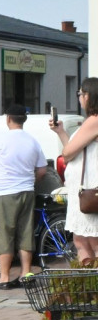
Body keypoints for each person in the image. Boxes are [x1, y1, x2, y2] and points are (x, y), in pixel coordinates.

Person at [0, 105, 47, 289]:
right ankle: (26, 275)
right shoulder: (33, 141)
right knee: (25, 233)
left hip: (3, 192)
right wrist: (30, 181)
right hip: (26, 191)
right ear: (24, 119)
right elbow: (42, 170)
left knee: (3, 233)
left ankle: (5, 278)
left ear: (8, 118)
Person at [51, 78, 98, 265]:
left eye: (80, 94)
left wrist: (66, 148)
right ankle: (88, 288)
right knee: (81, 241)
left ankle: (92, 287)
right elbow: (74, 152)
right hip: (82, 192)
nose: (79, 98)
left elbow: (68, 153)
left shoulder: (93, 120)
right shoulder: (90, 122)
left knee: (91, 242)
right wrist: (61, 133)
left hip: (89, 191)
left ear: (88, 96)